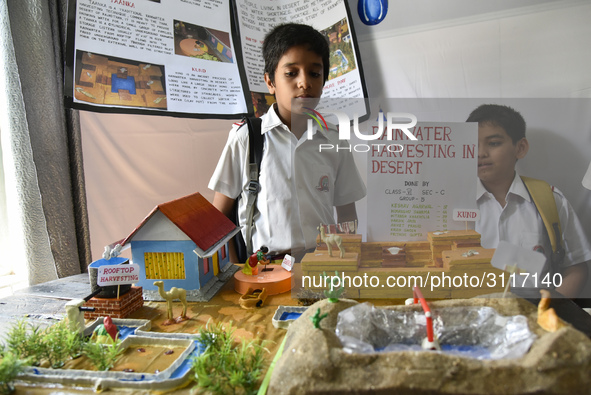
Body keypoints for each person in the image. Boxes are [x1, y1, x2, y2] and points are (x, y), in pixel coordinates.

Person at [209, 23, 366, 261]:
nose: (305, 83)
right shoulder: (247, 137)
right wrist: (234, 274)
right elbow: (219, 217)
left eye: (315, 73)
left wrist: (348, 260)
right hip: (266, 268)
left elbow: (346, 213)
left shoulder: (334, 139)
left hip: (323, 265)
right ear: (270, 81)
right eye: (291, 73)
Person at [467, 104, 590, 298]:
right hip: (470, 317)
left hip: (535, 317)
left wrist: (549, 311)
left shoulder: (550, 199)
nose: (481, 153)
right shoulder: (450, 203)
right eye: (473, 143)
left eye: (494, 143)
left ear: (520, 148)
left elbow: (576, 268)